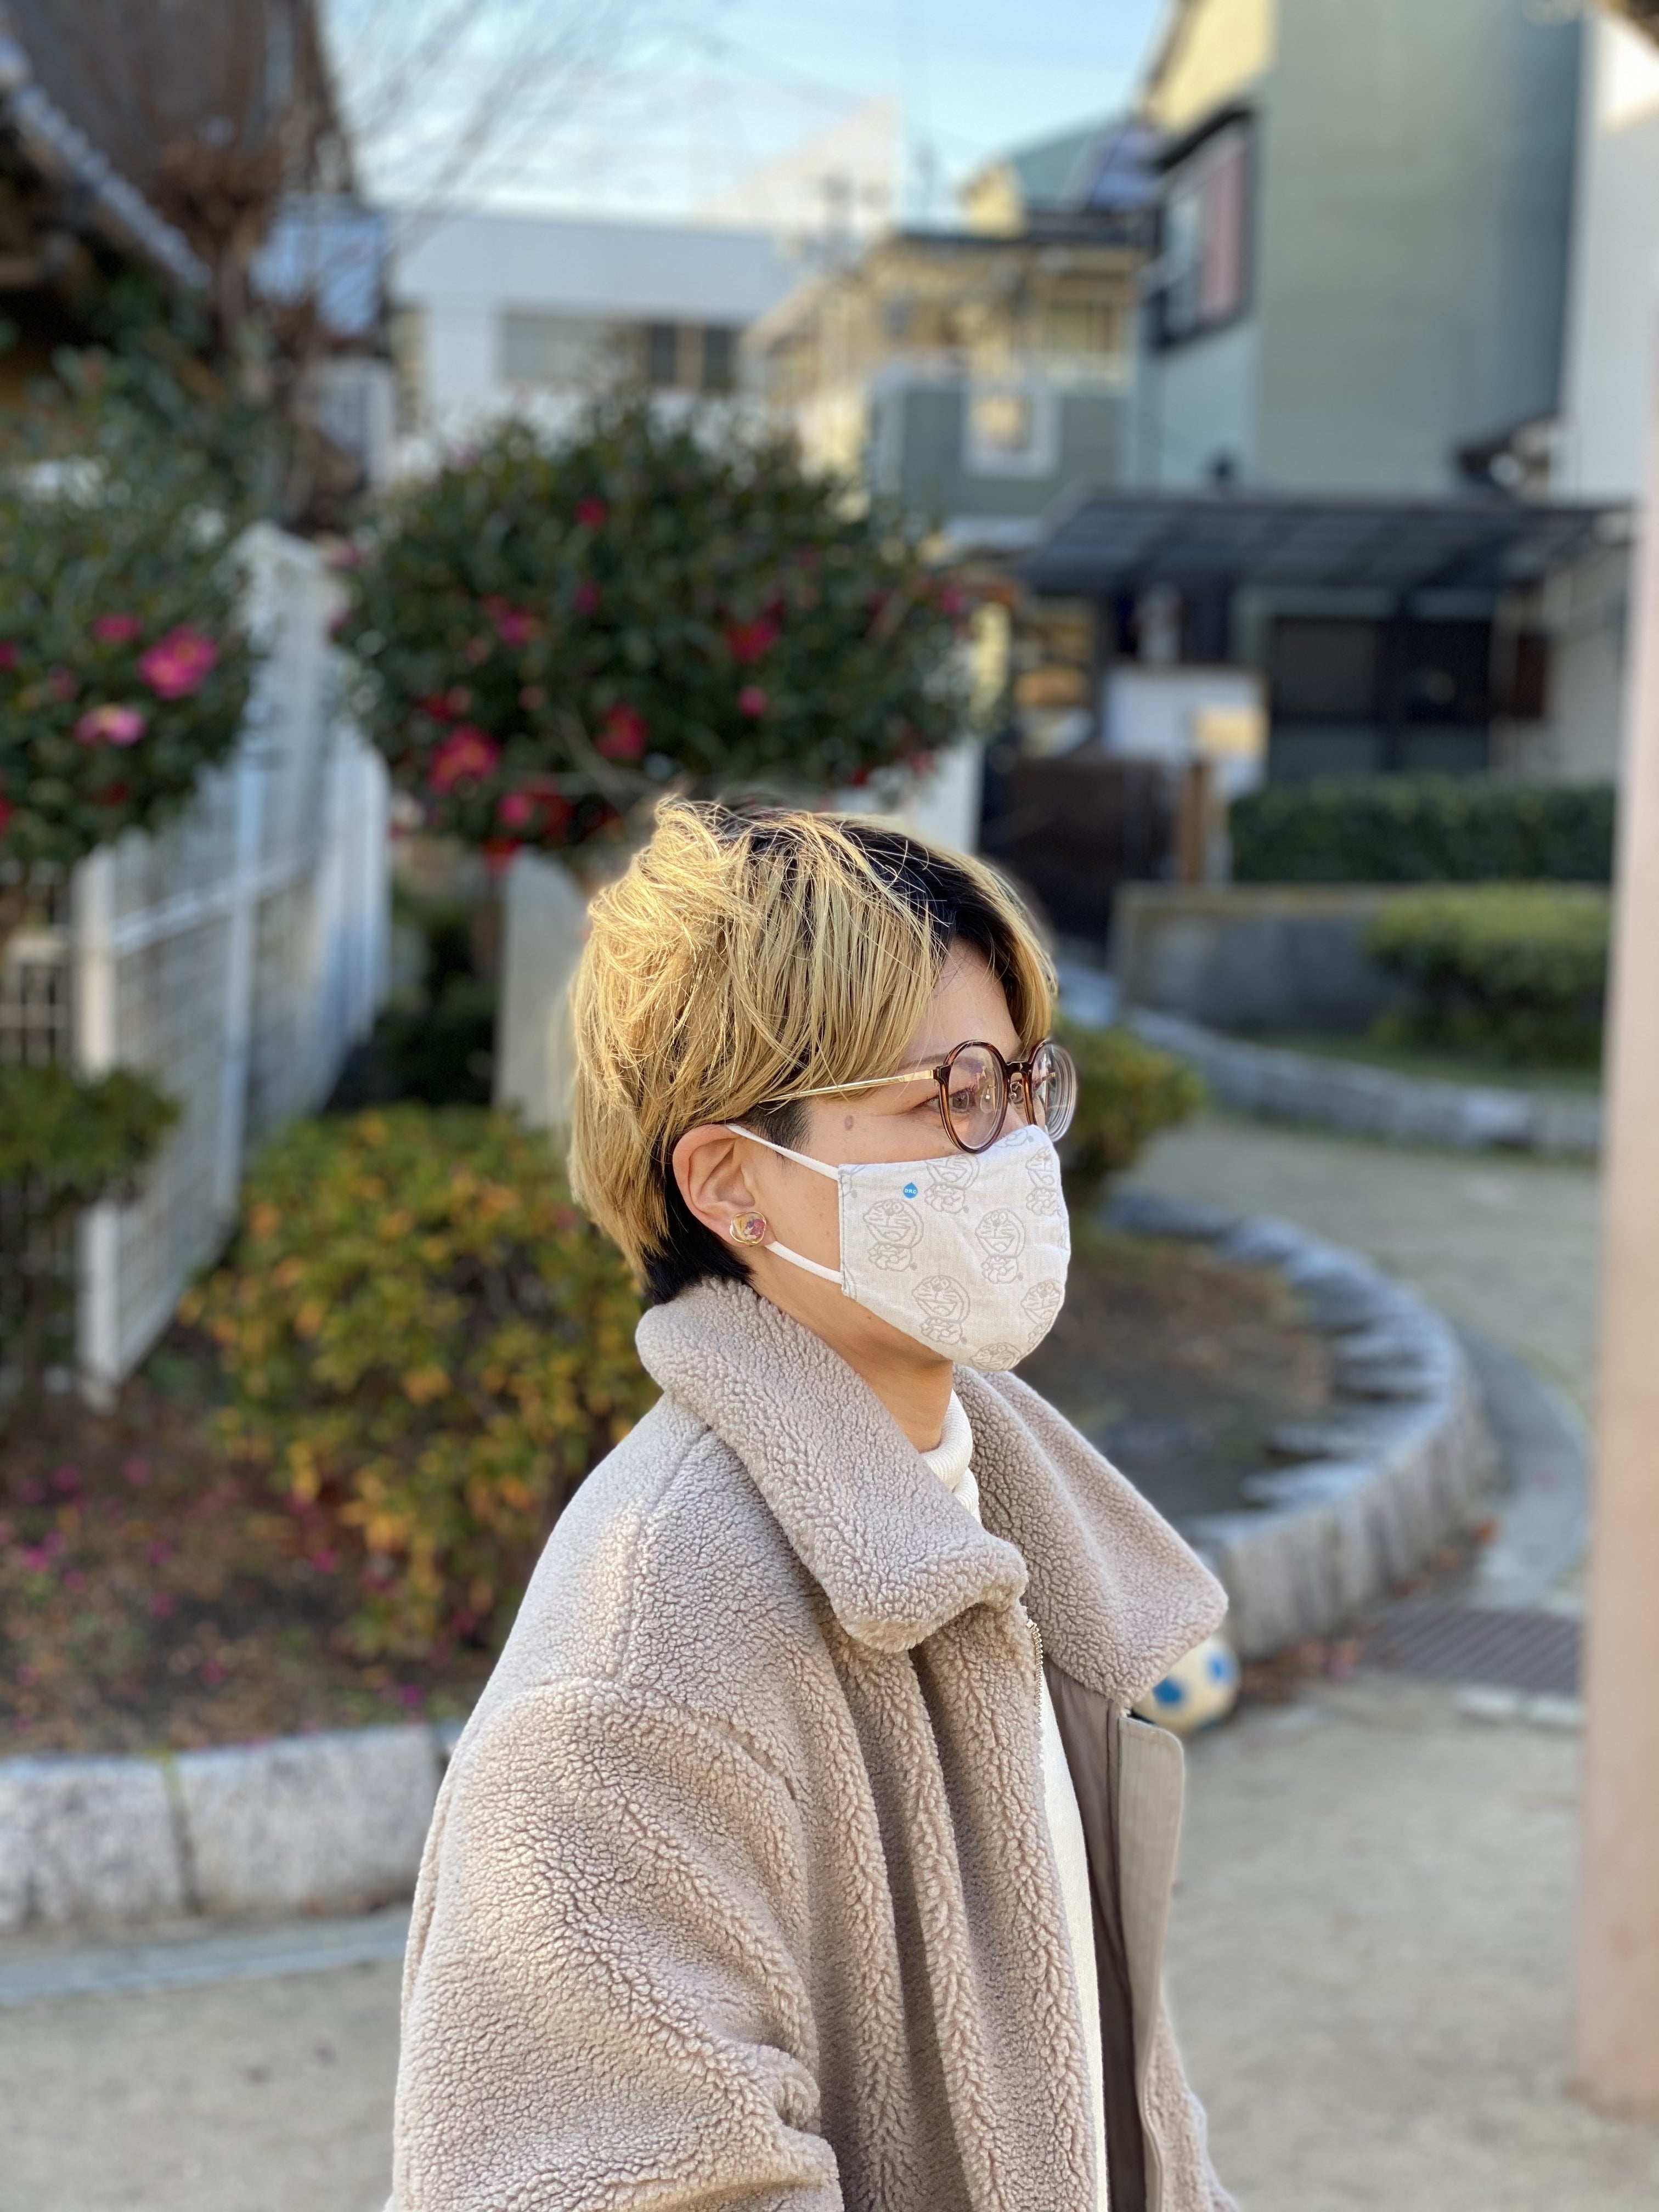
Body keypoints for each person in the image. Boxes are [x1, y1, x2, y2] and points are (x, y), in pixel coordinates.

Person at [390, 803, 1236, 2212]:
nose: (1014, 1148)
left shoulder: (994, 1529)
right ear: (733, 1182)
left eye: (1023, 1084)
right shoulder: (637, 1678)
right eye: (948, 1095)